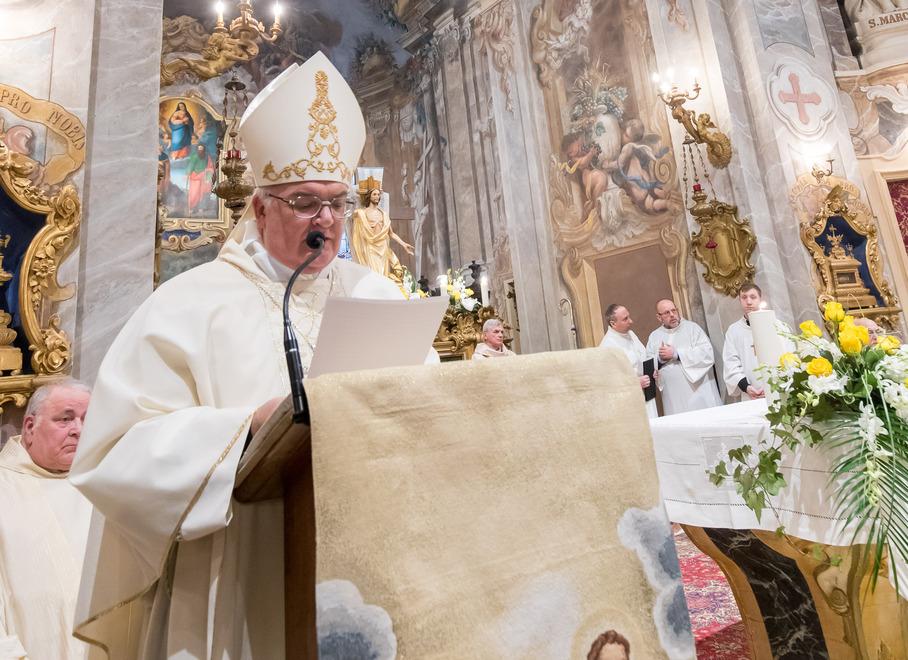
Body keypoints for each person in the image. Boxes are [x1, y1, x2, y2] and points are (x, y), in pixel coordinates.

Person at [69, 52, 418, 659]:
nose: (329, 221)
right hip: (241, 575)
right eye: (307, 202)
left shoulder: (379, 295)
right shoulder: (188, 306)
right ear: (259, 207)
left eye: (339, 202)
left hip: (371, 558)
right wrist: (242, 431)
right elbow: (112, 456)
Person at [0, 380, 92, 659]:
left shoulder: (105, 487)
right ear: (30, 427)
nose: (78, 430)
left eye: (88, 420)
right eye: (65, 419)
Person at [645, 299, 721, 415]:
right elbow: (649, 363)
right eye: (666, 313)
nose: (672, 315)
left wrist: (677, 354)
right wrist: (659, 360)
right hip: (672, 396)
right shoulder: (654, 337)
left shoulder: (692, 329)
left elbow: (707, 354)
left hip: (698, 392)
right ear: (659, 317)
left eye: (674, 310)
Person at [349, 176, 414, 283]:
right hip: (370, 248)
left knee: (383, 276)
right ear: (369, 196)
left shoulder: (383, 214)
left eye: (378, 194)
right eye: (374, 194)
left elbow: (391, 233)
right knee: (374, 275)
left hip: (383, 247)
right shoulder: (362, 213)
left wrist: (403, 244)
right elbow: (356, 232)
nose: (377, 196)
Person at [599, 304, 658, 418]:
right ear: (613, 323)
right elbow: (608, 381)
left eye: (629, 316)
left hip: (647, 393)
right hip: (630, 400)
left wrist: (651, 371)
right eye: (625, 319)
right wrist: (634, 383)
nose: (631, 321)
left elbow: (643, 358)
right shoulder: (607, 347)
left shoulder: (631, 334)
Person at [722, 282, 775, 400]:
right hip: (750, 394)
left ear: (760, 299)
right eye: (744, 297)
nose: (749, 302)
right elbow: (731, 363)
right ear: (739, 300)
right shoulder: (733, 331)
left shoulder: (776, 325)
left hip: (777, 389)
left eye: (753, 297)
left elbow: (787, 357)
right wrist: (746, 387)